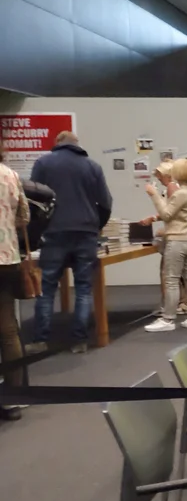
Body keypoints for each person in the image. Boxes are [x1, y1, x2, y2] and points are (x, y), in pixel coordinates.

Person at [27, 131, 112, 355]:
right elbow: (105, 202)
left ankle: (40, 340)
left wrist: (37, 231)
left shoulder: (43, 163)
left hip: (54, 233)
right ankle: (79, 341)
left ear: (58, 143)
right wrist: (96, 226)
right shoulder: (92, 166)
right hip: (85, 233)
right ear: (77, 145)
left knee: (46, 289)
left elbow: (33, 201)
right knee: (83, 288)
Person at [141, 159, 187, 332]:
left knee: (171, 279)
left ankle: (168, 319)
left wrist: (154, 195)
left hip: (178, 240)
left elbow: (167, 214)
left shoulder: (181, 193)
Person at [0, 144, 29, 420]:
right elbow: (25, 217)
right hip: (7, 259)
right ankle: (13, 398)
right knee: (8, 331)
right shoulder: (10, 174)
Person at [143, 162, 187, 316]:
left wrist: (154, 195)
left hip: (177, 237)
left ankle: (169, 312)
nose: (158, 179)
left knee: (169, 275)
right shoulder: (183, 190)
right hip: (185, 236)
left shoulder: (173, 188)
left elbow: (168, 214)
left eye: (159, 176)